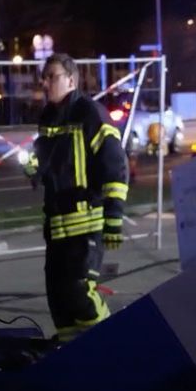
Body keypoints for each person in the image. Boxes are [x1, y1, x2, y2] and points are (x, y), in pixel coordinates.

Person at [22, 53, 129, 342]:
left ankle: (112, 346)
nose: (45, 83)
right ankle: (74, 359)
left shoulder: (89, 113)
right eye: (43, 77)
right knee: (60, 301)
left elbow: (115, 165)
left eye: (52, 76)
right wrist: (33, 168)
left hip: (86, 221)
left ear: (71, 79)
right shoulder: (48, 118)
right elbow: (50, 164)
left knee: (79, 291)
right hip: (57, 225)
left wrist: (114, 217)